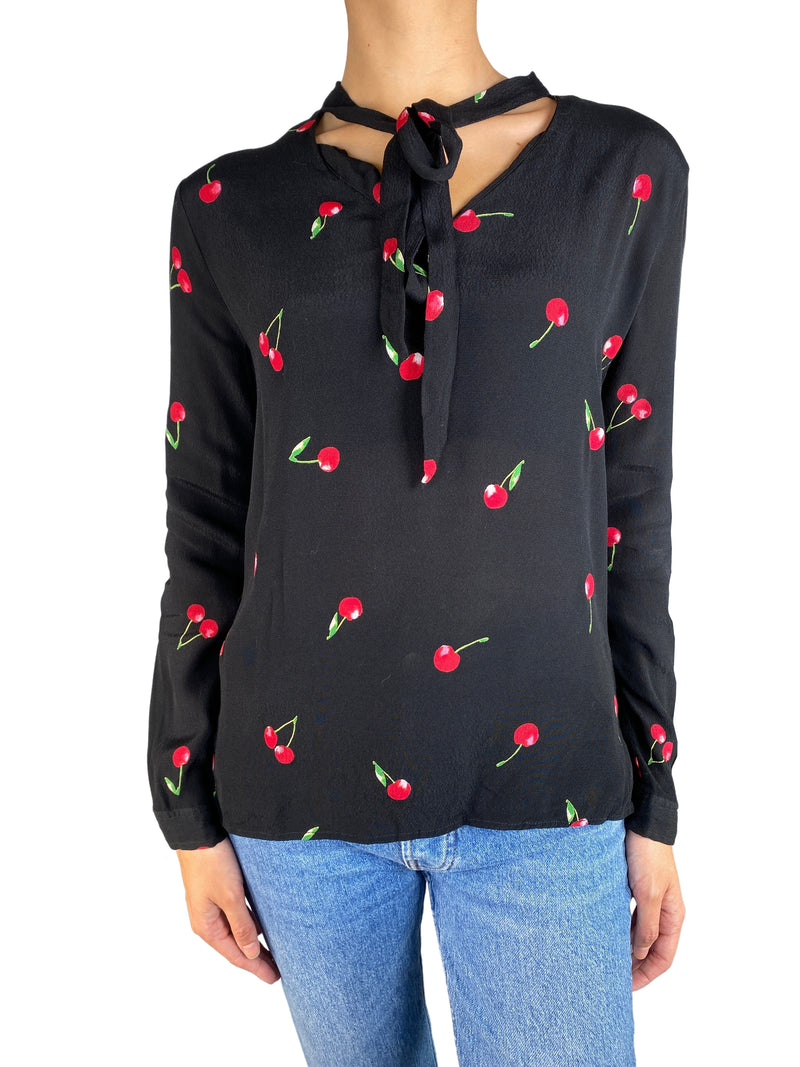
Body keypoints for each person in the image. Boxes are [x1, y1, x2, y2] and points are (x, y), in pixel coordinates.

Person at [147, 1, 689, 1062]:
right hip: (296, 789)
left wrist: (655, 790)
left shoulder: (622, 168)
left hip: (549, 780)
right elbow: (203, 510)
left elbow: (632, 494)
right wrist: (186, 809)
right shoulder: (225, 204)